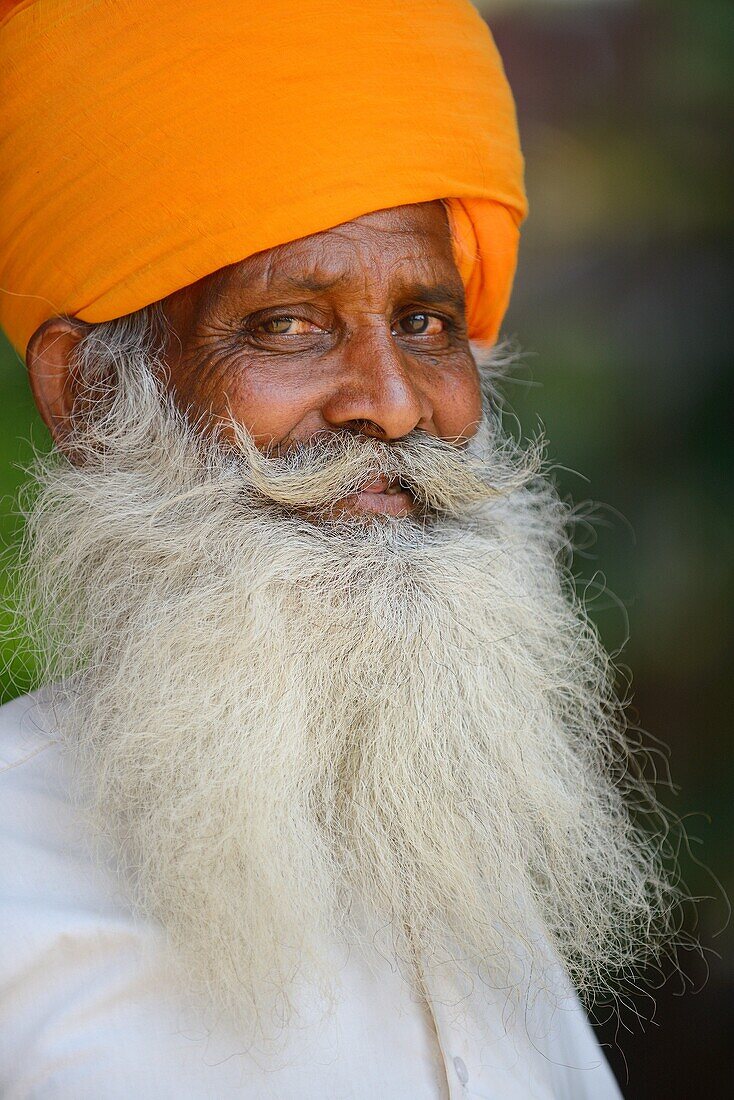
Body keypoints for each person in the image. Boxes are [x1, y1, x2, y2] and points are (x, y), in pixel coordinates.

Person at [0, 2, 676, 1096]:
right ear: (87, 396)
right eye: (288, 325)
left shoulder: (456, 853)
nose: (395, 405)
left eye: (423, 322)